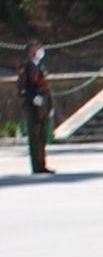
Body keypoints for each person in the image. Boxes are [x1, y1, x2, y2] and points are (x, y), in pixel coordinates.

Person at [17, 40, 53, 173]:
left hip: (43, 106)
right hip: (32, 107)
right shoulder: (25, 67)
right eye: (37, 48)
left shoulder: (41, 66)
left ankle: (42, 164)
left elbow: (46, 88)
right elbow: (21, 89)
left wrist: (50, 106)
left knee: (42, 137)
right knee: (34, 138)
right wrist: (33, 98)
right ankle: (36, 166)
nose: (40, 50)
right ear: (31, 51)